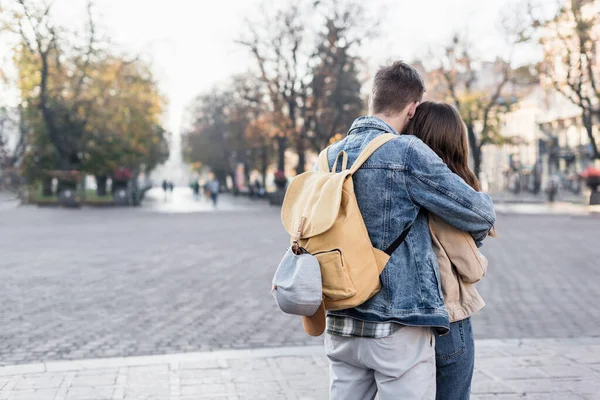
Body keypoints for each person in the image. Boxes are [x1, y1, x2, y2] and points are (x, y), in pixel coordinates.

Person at [321, 62, 495, 399]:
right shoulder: (407, 153)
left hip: (341, 321)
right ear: (412, 107)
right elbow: (479, 214)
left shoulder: (328, 157)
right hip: (395, 325)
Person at [404, 101, 493, 400]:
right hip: (447, 320)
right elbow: (472, 268)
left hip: (400, 319)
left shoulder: (398, 187)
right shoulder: (448, 198)